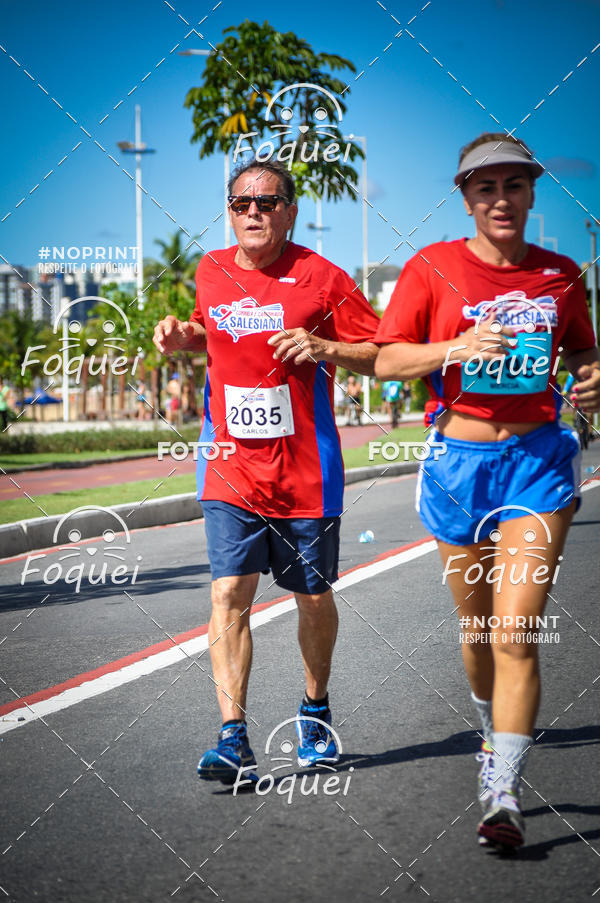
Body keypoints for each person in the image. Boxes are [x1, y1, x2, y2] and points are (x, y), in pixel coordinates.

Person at [375, 133, 600, 848]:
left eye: (513, 185)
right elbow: (386, 360)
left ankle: (503, 790)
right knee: (477, 633)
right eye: (485, 187)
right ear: (466, 197)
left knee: (515, 632)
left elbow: (583, 349)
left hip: (536, 464)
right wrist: (456, 348)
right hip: (458, 467)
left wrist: (591, 378)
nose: (500, 199)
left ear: (532, 193)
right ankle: (488, 724)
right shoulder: (433, 268)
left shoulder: (561, 275)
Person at [153, 159, 380, 785]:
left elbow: (381, 353)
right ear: (229, 211)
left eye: (267, 202)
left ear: (290, 211)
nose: (252, 212)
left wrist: (326, 347)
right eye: (240, 203)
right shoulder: (211, 270)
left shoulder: (324, 277)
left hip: (305, 469)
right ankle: (233, 738)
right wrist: (184, 336)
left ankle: (315, 709)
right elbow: (214, 332)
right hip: (229, 465)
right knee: (228, 592)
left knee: (313, 596)